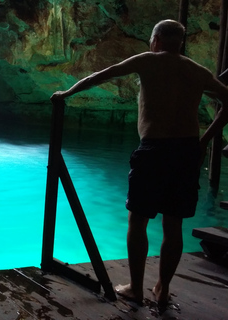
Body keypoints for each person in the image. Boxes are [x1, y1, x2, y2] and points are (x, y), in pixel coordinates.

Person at [51, 19, 228, 308]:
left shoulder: (148, 61)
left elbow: (102, 75)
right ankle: (163, 288)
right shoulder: (197, 71)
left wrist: (66, 94)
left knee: (138, 219)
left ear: (155, 40)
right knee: (174, 224)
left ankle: (135, 287)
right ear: (180, 43)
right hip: (186, 151)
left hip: (155, 149)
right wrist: (205, 140)